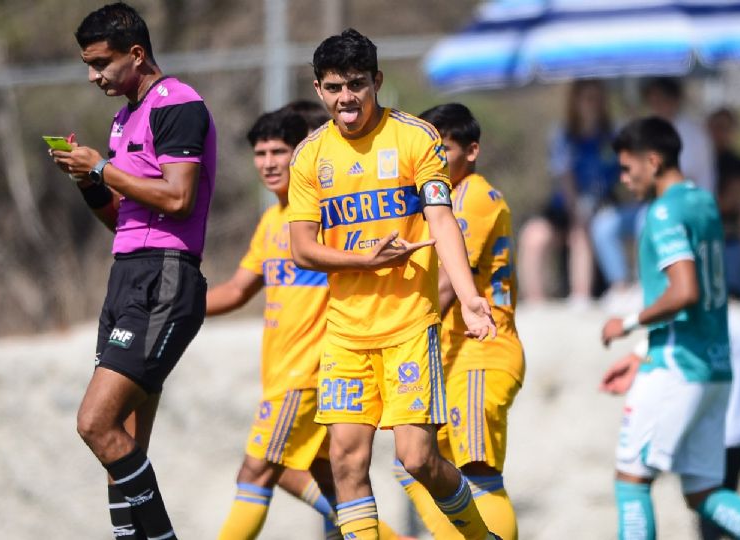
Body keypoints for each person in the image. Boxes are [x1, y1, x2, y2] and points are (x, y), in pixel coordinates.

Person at [287, 29, 500, 540]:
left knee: (417, 458)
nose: (347, 98)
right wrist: (361, 259)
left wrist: (469, 299)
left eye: (357, 85)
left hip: (408, 326)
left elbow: (442, 221)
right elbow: (301, 247)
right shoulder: (309, 157)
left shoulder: (416, 138)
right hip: (345, 333)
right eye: (335, 87)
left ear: (377, 82)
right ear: (319, 89)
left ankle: (478, 536)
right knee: (346, 462)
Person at [50, 3, 216, 539]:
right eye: (88, 65)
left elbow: (178, 198)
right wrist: (90, 183)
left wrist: (103, 166)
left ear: (136, 54)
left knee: (93, 422)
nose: (94, 76)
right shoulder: (124, 118)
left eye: (102, 63)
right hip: (127, 274)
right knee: (119, 439)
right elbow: (122, 220)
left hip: (164, 279)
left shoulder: (178, 104)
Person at [207, 108, 405, 540]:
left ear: (305, 153)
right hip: (282, 373)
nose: (269, 162)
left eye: (280, 151)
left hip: (308, 373)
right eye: (260, 153)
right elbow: (238, 289)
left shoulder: (327, 217)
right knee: (326, 478)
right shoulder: (272, 220)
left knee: (257, 470)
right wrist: (176, 306)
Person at [599, 117, 740, 540]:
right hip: (712, 367)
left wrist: (626, 323)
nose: (624, 179)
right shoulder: (702, 201)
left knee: (631, 479)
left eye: (629, 169)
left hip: (677, 365)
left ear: (653, 160)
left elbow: (684, 291)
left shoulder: (663, 212)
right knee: (703, 492)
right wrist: (643, 352)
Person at [391, 103, 525, 540]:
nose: (434, 159)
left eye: (443, 148)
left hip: (480, 353)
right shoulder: (438, 200)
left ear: (472, 151)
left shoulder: (473, 197)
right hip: (450, 355)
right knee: (413, 464)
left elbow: (448, 283)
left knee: (478, 470)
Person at [609, 309, 740, 540]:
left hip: (708, 423)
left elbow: (677, 346)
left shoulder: (703, 320)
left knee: (703, 507)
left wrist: (638, 351)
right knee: (720, 501)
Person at [517, 79, 619, 306]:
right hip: (565, 207)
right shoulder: (563, 134)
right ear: (575, 101)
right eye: (586, 98)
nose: (591, 104)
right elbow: (565, 177)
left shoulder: (613, 135)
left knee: (580, 231)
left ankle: (580, 296)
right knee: (533, 236)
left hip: (603, 205)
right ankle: (535, 303)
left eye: (596, 98)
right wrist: (574, 208)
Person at [642, 77, 716, 195]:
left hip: (690, 202)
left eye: (660, 101)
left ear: (674, 101)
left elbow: (686, 176)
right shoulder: (649, 131)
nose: (656, 107)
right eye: (652, 102)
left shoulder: (694, 134)